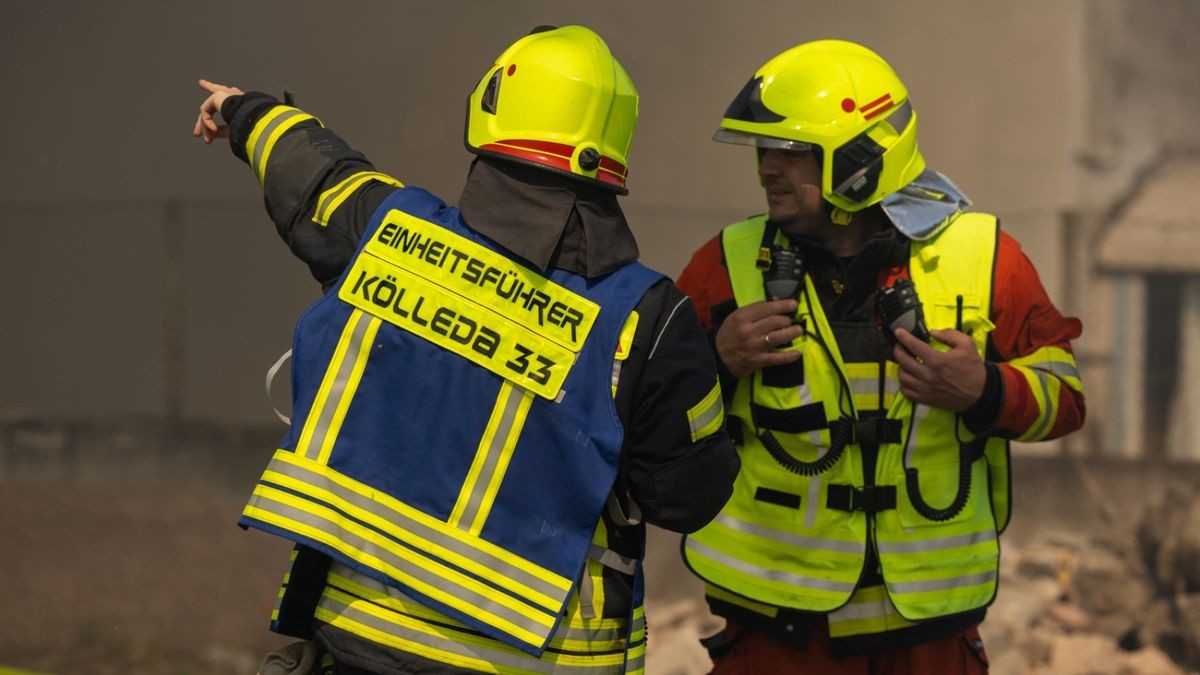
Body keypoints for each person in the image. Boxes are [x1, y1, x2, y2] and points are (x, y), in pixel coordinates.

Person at [192, 25, 739, 675]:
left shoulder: (390, 233)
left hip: (364, 639)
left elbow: (313, 173)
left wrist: (244, 109)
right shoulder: (649, 319)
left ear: (492, 112)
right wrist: (717, 369)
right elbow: (688, 498)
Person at [676, 39, 1086, 674]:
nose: (767, 168)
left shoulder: (986, 260)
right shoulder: (723, 267)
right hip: (778, 634)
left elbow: (1067, 397)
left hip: (931, 635)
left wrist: (985, 391)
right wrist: (716, 363)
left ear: (861, 160)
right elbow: (645, 418)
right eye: (764, 148)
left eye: (792, 149)